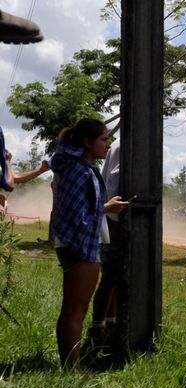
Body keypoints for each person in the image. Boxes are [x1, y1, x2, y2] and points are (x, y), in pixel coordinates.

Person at [50, 119, 129, 368]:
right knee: (74, 311)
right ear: (87, 142)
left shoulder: (80, 166)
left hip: (81, 242)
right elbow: (78, 214)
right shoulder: (78, 170)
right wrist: (108, 207)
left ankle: (72, 364)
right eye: (104, 139)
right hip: (78, 243)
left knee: (75, 309)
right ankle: (71, 369)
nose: (108, 145)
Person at [91, 139, 123, 344]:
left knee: (115, 275)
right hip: (115, 216)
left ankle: (109, 322)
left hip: (113, 215)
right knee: (111, 274)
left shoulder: (120, 142)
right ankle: (98, 327)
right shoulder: (126, 144)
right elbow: (115, 180)